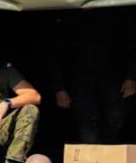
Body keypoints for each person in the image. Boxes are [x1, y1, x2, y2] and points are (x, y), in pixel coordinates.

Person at [50, 10, 136, 144]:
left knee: (115, 117)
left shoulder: (114, 13)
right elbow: (56, 54)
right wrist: (59, 88)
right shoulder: (69, 18)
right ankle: (92, 160)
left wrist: (131, 76)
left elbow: (131, 44)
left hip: (112, 73)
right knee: (87, 120)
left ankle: (109, 154)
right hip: (80, 77)